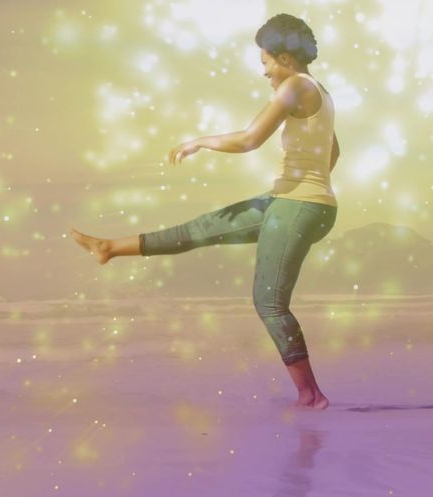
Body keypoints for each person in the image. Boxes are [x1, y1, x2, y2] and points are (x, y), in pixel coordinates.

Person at [70, 14, 339, 409]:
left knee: (269, 302)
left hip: (298, 205)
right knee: (203, 229)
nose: (263, 70)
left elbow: (249, 139)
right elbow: (334, 151)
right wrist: (304, 186)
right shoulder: (321, 92)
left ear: (284, 57)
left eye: (265, 61)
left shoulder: (295, 85)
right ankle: (109, 247)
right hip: (293, 202)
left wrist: (200, 142)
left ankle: (311, 396)